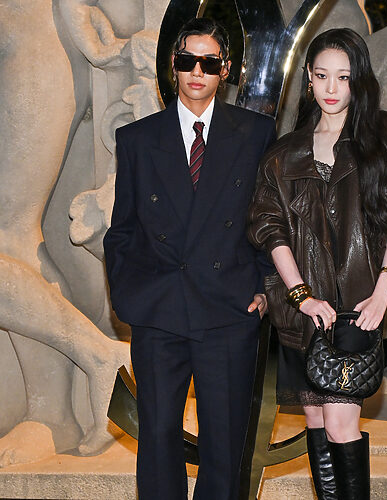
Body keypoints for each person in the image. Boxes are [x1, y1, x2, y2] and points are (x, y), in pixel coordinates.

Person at [247, 28, 387, 499]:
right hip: (300, 312)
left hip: (356, 306)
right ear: (308, 78)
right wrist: (301, 296)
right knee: (315, 419)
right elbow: (270, 230)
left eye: (344, 77)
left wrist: (384, 287)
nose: (331, 88)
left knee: (340, 423)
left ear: (359, 80)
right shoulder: (283, 154)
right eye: (322, 75)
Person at [103, 17, 276, 500]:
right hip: (159, 310)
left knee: (224, 445)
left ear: (226, 70)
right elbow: (122, 229)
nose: (197, 72)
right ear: (173, 66)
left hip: (229, 309)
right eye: (187, 60)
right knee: (158, 441)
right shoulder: (137, 139)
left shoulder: (256, 133)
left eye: (209, 63)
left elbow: (271, 219)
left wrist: (264, 287)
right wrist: (130, 298)